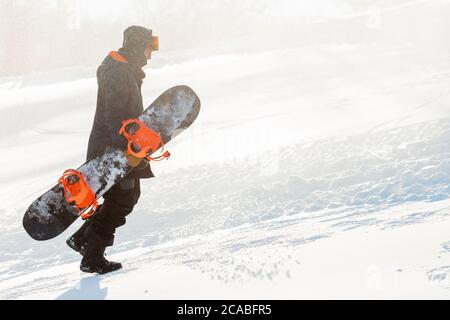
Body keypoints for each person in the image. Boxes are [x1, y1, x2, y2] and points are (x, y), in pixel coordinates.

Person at [66, 26, 159, 274]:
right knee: (121, 199)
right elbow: (115, 116)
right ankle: (92, 256)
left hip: (123, 147)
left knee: (127, 197)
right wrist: (125, 152)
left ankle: (85, 239)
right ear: (137, 46)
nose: (150, 55)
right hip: (115, 150)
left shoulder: (123, 70)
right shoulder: (118, 72)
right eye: (149, 48)